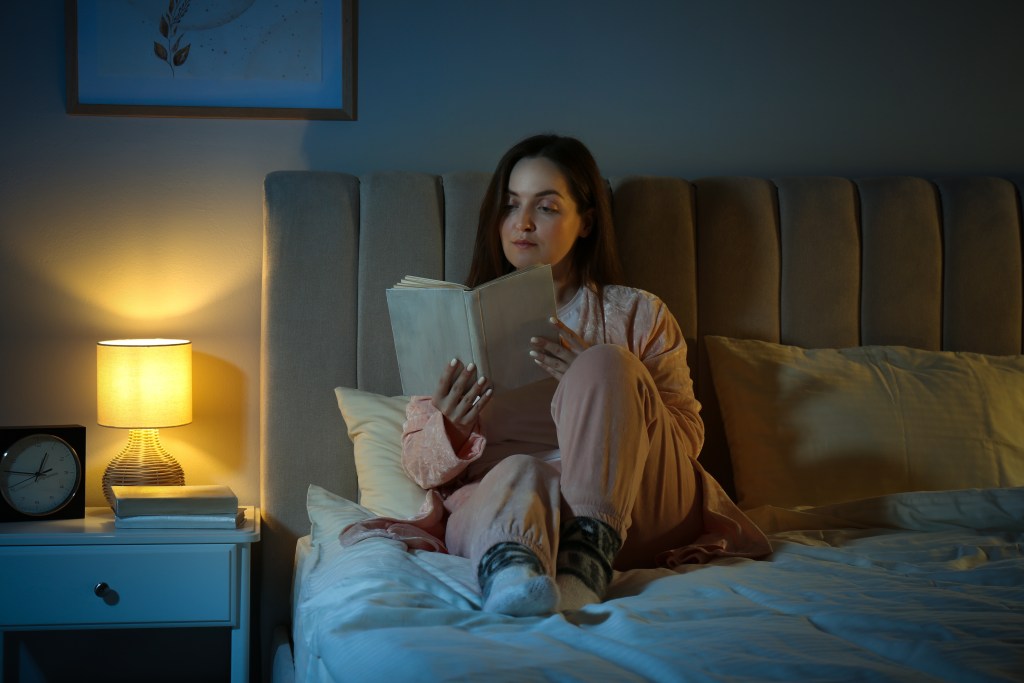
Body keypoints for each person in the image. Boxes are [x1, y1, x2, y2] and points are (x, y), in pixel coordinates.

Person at [356, 134, 770, 616]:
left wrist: (604, 387)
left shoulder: (636, 313)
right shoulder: (460, 320)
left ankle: (587, 559)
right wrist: (449, 424)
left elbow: (687, 442)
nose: (523, 223)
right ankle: (512, 571)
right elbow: (421, 468)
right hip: (510, 506)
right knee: (519, 471)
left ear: (586, 221)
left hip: (635, 511)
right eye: (511, 206)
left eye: (547, 207)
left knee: (606, 362)